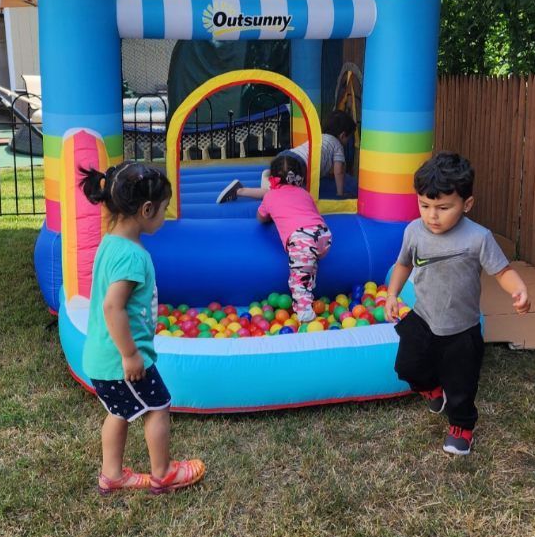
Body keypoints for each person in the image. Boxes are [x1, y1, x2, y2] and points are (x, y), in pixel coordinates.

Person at [385, 151, 530, 457]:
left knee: (462, 386)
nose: (432, 216)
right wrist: (392, 294)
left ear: (467, 204)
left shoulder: (478, 238)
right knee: (407, 366)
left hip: (461, 330)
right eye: (424, 205)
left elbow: (502, 271)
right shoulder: (413, 231)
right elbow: (402, 265)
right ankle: (432, 390)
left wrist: (517, 290)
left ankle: (461, 427)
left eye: (443, 207)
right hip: (423, 318)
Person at [78, 161, 206, 496]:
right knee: (158, 407)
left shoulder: (111, 243)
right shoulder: (132, 256)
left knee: (119, 412)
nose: (164, 216)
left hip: (102, 357)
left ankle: (112, 475)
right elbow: (112, 306)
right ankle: (163, 474)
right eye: (163, 210)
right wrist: (131, 354)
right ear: (146, 209)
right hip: (123, 362)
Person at [255, 152, 332, 324]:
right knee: (307, 267)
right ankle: (309, 292)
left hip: (301, 238)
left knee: (298, 278)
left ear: (273, 178)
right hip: (323, 235)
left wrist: (271, 212)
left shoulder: (270, 196)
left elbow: (260, 218)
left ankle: (305, 315)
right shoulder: (304, 194)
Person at [216, 109, 357, 203]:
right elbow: (339, 171)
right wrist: (340, 193)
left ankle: (268, 176)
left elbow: (318, 161)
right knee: (280, 195)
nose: (347, 142)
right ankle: (240, 190)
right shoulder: (337, 145)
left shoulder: (319, 137)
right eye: (348, 139)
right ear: (343, 135)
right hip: (297, 165)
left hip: (286, 156)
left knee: (280, 183)